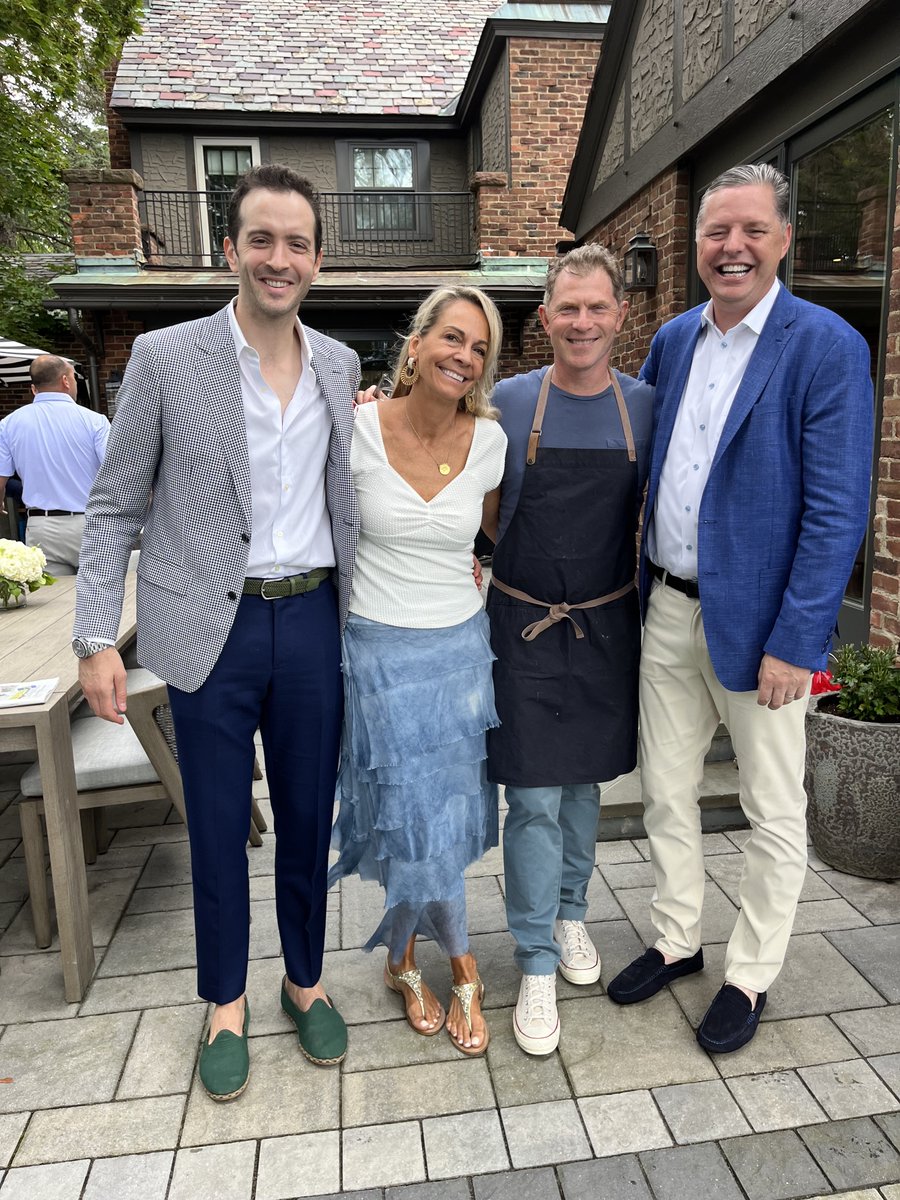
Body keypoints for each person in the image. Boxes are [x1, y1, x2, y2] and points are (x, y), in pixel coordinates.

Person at [74, 164, 359, 1100]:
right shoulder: (164, 358)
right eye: (263, 240)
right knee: (216, 828)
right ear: (230, 249)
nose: (281, 259)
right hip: (208, 625)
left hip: (314, 619)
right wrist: (93, 640)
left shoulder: (338, 364)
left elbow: (349, 498)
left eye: (299, 243)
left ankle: (304, 980)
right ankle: (224, 1003)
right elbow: (114, 508)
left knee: (308, 820)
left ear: (318, 260)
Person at [607, 163, 874, 1053]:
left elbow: (837, 509)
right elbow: (637, 462)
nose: (733, 247)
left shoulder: (825, 345)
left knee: (771, 808)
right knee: (667, 792)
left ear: (784, 240)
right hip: (668, 611)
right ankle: (678, 938)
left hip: (766, 630)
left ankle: (751, 973)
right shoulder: (676, 339)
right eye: (718, 232)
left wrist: (799, 640)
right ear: (696, 245)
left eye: (753, 231)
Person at [482, 244, 654, 1055]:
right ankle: (537, 959)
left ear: (620, 315)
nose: (582, 322)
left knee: (586, 787)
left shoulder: (645, 407)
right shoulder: (508, 402)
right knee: (536, 799)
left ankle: (574, 913)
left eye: (597, 308)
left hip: (605, 623)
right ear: (544, 318)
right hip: (521, 627)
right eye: (567, 309)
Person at [328, 285, 507, 1056]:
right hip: (376, 651)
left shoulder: (491, 442)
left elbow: (495, 535)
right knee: (408, 811)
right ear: (416, 342)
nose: (463, 356)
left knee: (439, 813)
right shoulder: (356, 427)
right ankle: (461, 963)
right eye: (452, 338)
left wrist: (478, 564)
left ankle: (405, 958)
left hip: (460, 651)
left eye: (479, 348)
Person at [0, 356, 110, 576]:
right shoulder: (94, 421)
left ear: (34, 388)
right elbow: (118, 473)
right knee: (100, 600)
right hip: (92, 523)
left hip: (42, 527)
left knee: (52, 606)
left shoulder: (9, 424)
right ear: (66, 381)